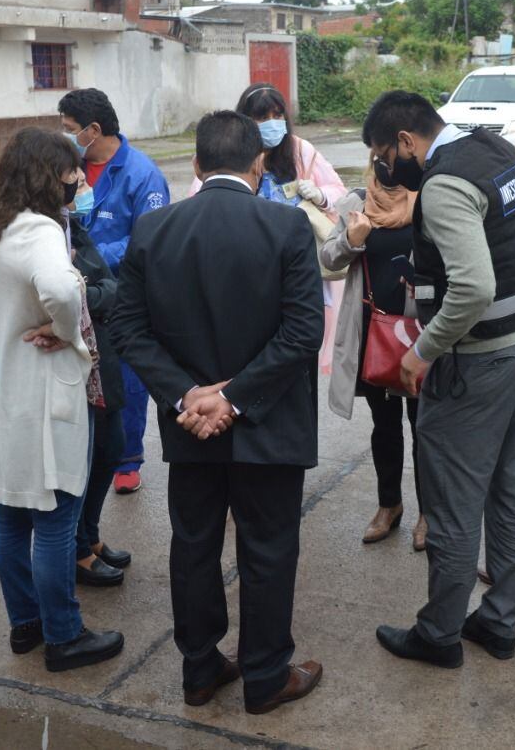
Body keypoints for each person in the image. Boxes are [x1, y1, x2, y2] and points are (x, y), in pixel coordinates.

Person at [111, 110, 325, 715]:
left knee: (195, 544)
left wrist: (190, 395)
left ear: (198, 166)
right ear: (259, 166)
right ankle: (264, 676)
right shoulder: (285, 227)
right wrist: (232, 398)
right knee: (269, 547)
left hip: (190, 427)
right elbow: (304, 331)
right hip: (269, 422)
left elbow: (128, 329)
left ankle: (199, 671)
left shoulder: (153, 230)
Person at [365, 91, 515, 668]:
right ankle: (499, 622)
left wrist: (422, 350)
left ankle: (439, 633)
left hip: (480, 362)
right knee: (513, 489)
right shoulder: (496, 149)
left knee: (451, 502)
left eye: (381, 152)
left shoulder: (444, 184)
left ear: (405, 142)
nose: (381, 167)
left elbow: (473, 287)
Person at [0, 127, 123, 672]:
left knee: (12, 516)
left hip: (7, 392)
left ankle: (25, 625)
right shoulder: (39, 228)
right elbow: (60, 288)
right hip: (45, 388)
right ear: (43, 174)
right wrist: (66, 329)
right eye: (68, 170)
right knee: (55, 518)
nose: (77, 179)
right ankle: (64, 635)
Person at [189, 83, 347, 373]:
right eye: (262, 117)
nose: (272, 124)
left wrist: (321, 195)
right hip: (245, 260)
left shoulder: (300, 150)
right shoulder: (230, 152)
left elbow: (338, 189)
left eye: (277, 115)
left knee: (298, 341)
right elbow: (201, 198)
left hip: (295, 260)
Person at [59, 87, 171, 495]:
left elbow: (150, 237)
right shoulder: (68, 166)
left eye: (70, 129)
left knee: (126, 379)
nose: (66, 136)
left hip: (123, 294)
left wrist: (89, 257)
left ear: (93, 129)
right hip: (75, 292)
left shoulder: (142, 174)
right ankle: (88, 448)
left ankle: (127, 459)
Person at [321, 158, 425, 549]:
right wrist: (353, 238)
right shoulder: (358, 202)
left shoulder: (427, 202)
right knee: (384, 426)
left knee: (424, 427)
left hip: (419, 334)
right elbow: (328, 260)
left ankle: (429, 512)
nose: (388, 170)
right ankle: (389, 505)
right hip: (373, 335)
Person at [69, 215, 132, 587]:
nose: (79, 186)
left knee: (111, 449)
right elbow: (60, 299)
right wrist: (95, 296)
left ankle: (90, 535)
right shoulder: (37, 232)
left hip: (102, 356)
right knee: (82, 460)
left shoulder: (74, 228)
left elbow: (113, 287)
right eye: (71, 179)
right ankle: (77, 550)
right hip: (73, 363)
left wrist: (89, 296)